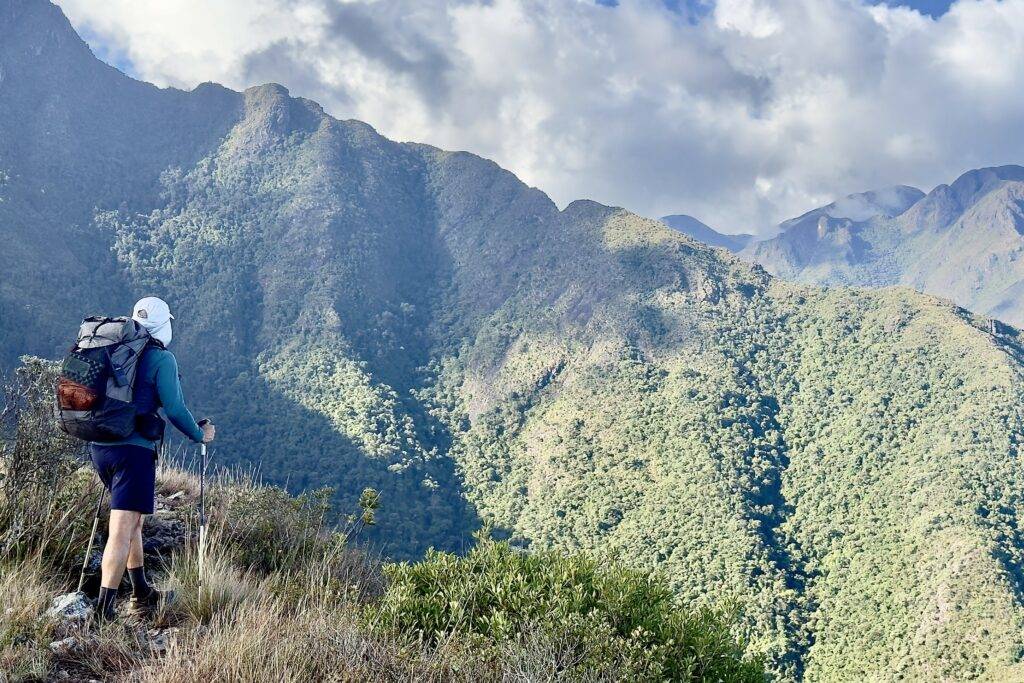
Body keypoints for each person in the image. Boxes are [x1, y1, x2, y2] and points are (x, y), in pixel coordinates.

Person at [90, 296, 215, 621]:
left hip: (100, 445)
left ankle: (141, 592)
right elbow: (174, 409)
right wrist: (199, 434)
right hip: (132, 452)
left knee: (134, 521)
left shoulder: (113, 348)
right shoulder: (161, 358)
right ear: (163, 325)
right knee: (121, 528)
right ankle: (102, 613)